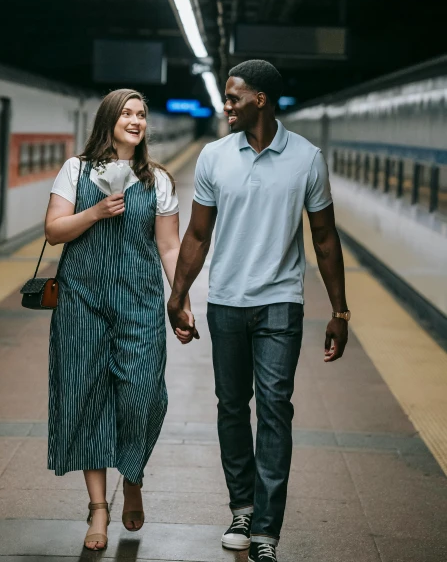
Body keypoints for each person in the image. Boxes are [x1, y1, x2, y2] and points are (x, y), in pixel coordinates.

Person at [167, 60, 349, 562]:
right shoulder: (213, 157)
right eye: (226, 97)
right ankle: (241, 507)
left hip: (280, 304)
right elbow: (198, 234)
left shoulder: (307, 159)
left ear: (261, 100)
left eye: (234, 98)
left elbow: (325, 237)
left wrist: (341, 311)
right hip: (225, 300)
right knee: (231, 408)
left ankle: (266, 530)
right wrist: (179, 294)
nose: (225, 105)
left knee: (274, 411)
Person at [45, 88, 194, 551]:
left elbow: (168, 246)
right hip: (81, 299)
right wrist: (94, 212)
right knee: (87, 397)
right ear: (109, 119)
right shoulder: (76, 170)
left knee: (144, 394)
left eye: (141, 114)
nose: (136, 120)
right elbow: (53, 231)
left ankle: (132, 474)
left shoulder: (158, 181)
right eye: (127, 113)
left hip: (140, 299)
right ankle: (98, 511)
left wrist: (181, 296)